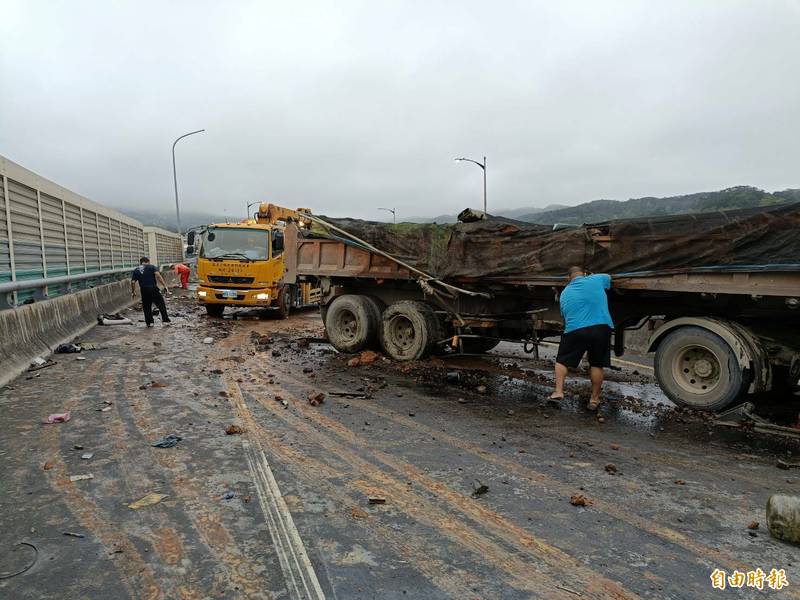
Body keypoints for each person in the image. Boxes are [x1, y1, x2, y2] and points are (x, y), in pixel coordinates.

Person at [549, 266, 614, 410]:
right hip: (601, 327)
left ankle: (558, 391)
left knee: (562, 361)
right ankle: (594, 400)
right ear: (584, 274)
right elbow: (609, 278)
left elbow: (565, 315)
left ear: (568, 278)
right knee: (596, 364)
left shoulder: (565, 293)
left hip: (576, 329)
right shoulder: (596, 279)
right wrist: (592, 275)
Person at [131, 257, 171, 327]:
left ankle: (149, 322)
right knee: (161, 304)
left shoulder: (136, 270)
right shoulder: (152, 267)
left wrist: (133, 291)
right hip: (153, 288)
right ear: (148, 261)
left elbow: (133, 282)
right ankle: (165, 321)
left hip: (144, 290)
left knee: (146, 306)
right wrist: (165, 286)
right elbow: (158, 275)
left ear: (140, 262)